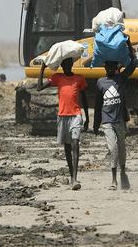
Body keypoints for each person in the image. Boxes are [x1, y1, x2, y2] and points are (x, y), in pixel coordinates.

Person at [38, 57, 88, 190]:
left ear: (71, 64)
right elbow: (39, 88)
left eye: (68, 64)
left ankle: (75, 179)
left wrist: (87, 117)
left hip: (76, 115)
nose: (66, 66)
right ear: (62, 65)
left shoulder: (79, 78)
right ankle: (72, 176)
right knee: (67, 147)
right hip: (63, 116)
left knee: (75, 144)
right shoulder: (57, 77)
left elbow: (84, 98)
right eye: (64, 64)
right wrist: (42, 68)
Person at [94, 47, 136, 190]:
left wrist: (129, 45)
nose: (110, 69)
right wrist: (95, 123)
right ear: (105, 68)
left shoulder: (121, 80)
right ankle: (113, 180)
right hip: (107, 121)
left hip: (119, 120)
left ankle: (123, 172)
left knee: (122, 148)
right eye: (108, 67)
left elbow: (133, 64)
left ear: (116, 68)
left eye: (112, 67)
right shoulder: (100, 82)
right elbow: (98, 103)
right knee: (113, 148)